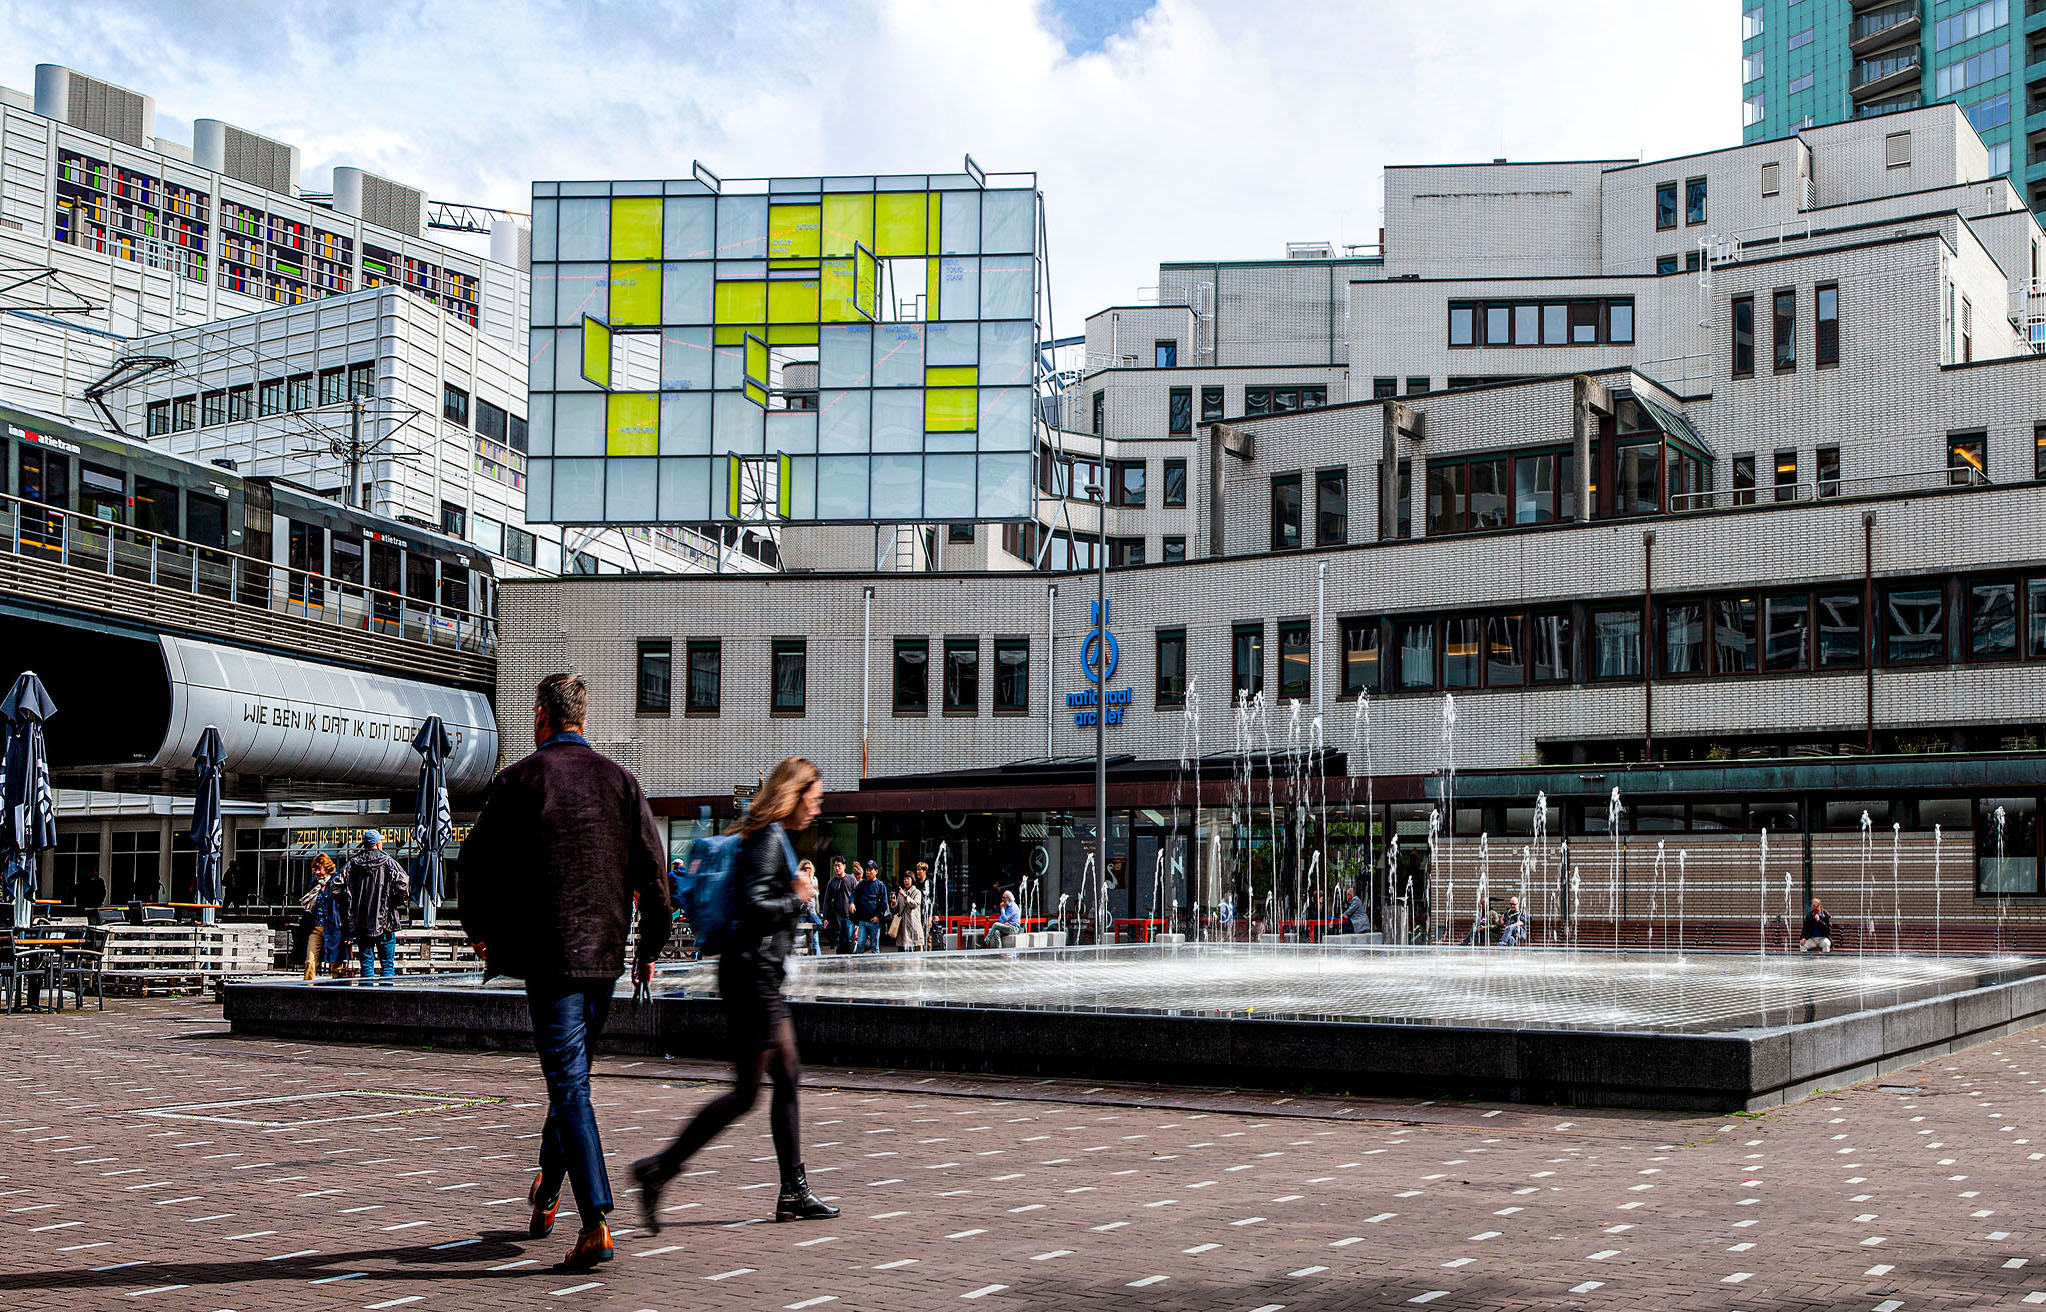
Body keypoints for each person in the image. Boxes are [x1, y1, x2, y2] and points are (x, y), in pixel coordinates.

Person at [461, 673, 671, 1271]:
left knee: (569, 1082)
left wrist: (480, 929)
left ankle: (596, 1220)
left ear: (540, 717)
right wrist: (648, 947)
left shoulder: (520, 780)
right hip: (604, 955)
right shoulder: (621, 783)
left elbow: (475, 860)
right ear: (583, 718)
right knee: (571, 1078)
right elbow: (655, 877)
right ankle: (549, 1188)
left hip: (549, 956)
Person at [633, 756, 838, 1228]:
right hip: (751, 978)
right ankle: (659, 1169)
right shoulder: (768, 839)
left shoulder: (769, 836)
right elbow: (752, 904)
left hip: (755, 975)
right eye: (815, 799)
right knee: (748, 1092)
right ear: (795, 794)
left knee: (784, 1077)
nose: (818, 808)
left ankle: (794, 1191)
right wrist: (798, 897)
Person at [339, 830, 408, 980]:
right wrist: (394, 902)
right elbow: (404, 884)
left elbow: (336, 885)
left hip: (362, 922)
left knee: (366, 964)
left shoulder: (353, 863)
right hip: (385, 922)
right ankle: (387, 1000)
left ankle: (367, 1000)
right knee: (387, 965)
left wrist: (348, 903)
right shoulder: (388, 862)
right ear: (377, 844)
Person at [301, 854, 341, 980]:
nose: (317, 872)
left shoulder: (337, 882)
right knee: (310, 961)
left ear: (327, 868)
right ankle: (307, 989)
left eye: (319, 869)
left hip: (333, 928)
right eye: (315, 869)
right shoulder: (314, 885)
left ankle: (339, 990)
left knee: (335, 963)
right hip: (316, 928)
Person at [852, 860, 889, 954]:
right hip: (863, 921)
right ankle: (859, 967)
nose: (868, 872)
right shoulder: (862, 884)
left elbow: (884, 903)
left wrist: (878, 916)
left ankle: (875, 967)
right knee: (860, 945)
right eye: (866, 870)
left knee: (874, 947)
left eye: (870, 870)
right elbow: (853, 894)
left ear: (876, 871)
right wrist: (851, 903)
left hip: (874, 922)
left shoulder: (880, 886)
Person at [823, 856, 856, 954]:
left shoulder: (851, 880)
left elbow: (857, 895)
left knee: (848, 942)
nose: (837, 868)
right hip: (836, 917)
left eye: (839, 866)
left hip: (849, 916)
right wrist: (825, 917)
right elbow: (827, 901)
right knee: (839, 943)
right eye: (835, 866)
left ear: (844, 866)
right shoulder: (831, 883)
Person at [794, 860, 825, 956]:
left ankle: (818, 960)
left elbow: (817, 897)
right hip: (802, 912)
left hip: (812, 912)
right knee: (800, 939)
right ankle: (799, 960)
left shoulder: (814, 880)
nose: (806, 870)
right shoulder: (799, 880)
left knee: (815, 939)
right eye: (804, 868)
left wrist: (818, 911)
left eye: (808, 868)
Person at [892, 872, 925, 953]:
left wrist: (905, 896)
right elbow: (897, 908)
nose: (906, 881)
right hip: (903, 926)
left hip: (913, 925)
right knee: (902, 950)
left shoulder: (917, 892)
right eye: (904, 879)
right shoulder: (901, 892)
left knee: (916, 950)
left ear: (912, 880)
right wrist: (893, 903)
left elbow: (914, 904)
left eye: (908, 879)